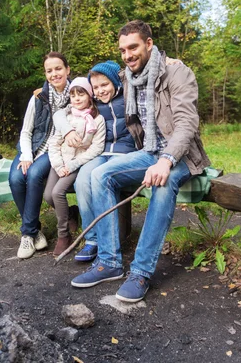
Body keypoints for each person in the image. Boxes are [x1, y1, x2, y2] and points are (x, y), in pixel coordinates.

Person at [70, 20, 211, 302]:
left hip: (180, 154)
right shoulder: (128, 77)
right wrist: (50, 92)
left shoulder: (176, 72)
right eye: (123, 50)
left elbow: (186, 124)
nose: (127, 54)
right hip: (148, 151)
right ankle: (109, 262)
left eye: (133, 47)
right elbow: (97, 86)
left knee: (164, 181)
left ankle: (141, 272)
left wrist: (166, 160)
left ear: (149, 44)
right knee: (100, 175)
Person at [53, 61, 139, 262]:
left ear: (115, 83)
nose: (101, 91)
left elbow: (141, 75)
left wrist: (169, 62)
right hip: (100, 153)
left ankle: (110, 238)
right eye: (97, 87)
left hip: (125, 153)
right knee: (83, 179)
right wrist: (67, 129)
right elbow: (60, 113)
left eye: (105, 85)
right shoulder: (93, 106)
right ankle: (91, 239)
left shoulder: (129, 97)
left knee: (100, 179)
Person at [9, 51, 74, 259]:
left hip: (53, 150)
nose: (54, 74)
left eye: (58, 69)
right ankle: (35, 231)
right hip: (32, 146)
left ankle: (26, 234)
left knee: (35, 174)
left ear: (67, 70)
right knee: (16, 177)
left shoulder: (78, 94)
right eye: (49, 70)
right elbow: (26, 131)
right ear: (45, 74)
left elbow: (106, 78)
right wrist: (26, 155)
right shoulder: (39, 97)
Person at [43, 77, 106, 256]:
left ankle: (64, 235)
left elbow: (97, 147)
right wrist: (58, 165)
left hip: (77, 164)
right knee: (48, 195)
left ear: (89, 96)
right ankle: (71, 213)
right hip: (60, 161)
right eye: (73, 95)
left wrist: (72, 165)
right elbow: (54, 143)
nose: (77, 98)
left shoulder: (97, 120)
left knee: (57, 193)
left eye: (81, 94)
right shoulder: (66, 118)